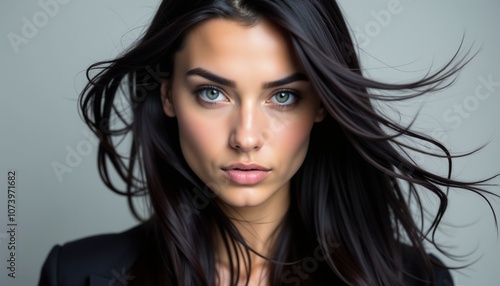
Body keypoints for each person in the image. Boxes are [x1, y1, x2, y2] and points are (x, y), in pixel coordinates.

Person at [38, 0, 496, 285]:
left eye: (283, 96)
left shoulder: (414, 280)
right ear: (168, 95)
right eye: (212, 93)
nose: (247, 137)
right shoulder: (75, 273)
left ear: (320, 104)